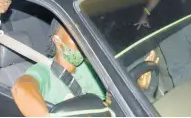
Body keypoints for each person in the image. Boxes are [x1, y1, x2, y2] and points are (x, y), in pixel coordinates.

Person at [12, 19, 158, 116]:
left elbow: (108, 103)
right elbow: (21, 89)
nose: (81, 40)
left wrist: (136, 87)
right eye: (74, 35)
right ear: (57, 40)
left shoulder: (90, 66)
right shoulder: (43, 70)